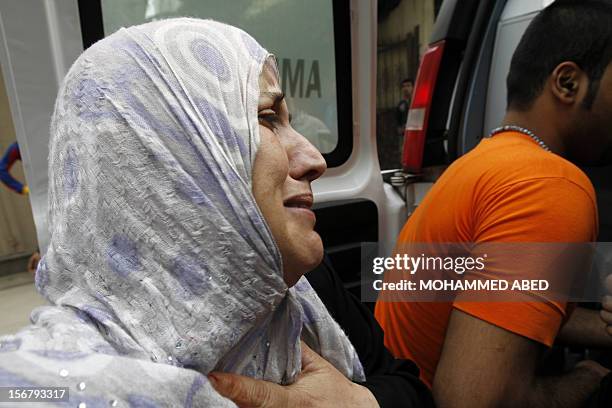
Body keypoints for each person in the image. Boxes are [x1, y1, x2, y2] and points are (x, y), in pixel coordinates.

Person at [0, 18, 432, 407]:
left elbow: (408, 386)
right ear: (175, 163)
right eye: (267, 119)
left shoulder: (299, 283)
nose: (313, 158)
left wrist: (358, 403)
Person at [375, 1, 612, 407]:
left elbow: (509, 305)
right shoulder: (549, 186)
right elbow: (473, 401)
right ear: (568, 83)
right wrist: (588, 377)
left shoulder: (482, 162)